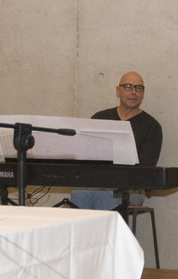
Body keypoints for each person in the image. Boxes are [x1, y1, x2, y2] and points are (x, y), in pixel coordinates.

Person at [69, 71, 163, 210]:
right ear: (118, 91)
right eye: (128, 86)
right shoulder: (99, 118)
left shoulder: (151, 126)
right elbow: (87, 157)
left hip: (131, 189)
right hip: (97, 183)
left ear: (143, 94)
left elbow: (146, 168)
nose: (133, 92)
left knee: (106, 194)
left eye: (139, 88)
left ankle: (108, 226)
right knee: (79, 193)